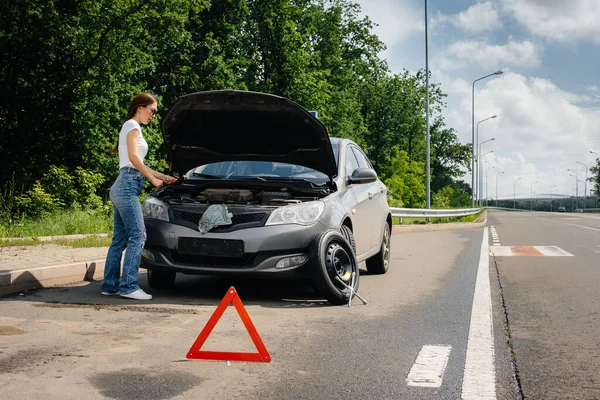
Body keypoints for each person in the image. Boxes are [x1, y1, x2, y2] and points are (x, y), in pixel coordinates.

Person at [101, 93, 176, 300]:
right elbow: (134, 158)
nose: (153, 115)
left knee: (120, 238)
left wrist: (161, 175)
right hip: (126, 185)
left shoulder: (131, 126)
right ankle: (128, 287)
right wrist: (152, 180)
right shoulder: (132, 126)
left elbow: (133, 162)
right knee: (138, 235)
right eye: (152, 111)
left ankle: (109, 285)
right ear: (140, 107)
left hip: (124, 184)